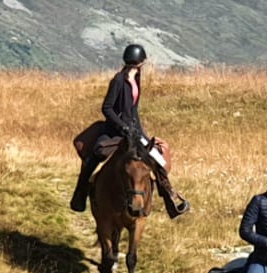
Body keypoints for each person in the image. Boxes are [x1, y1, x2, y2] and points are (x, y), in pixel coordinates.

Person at [69, 43, 189, 218]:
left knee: (157, 158)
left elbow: (133, 110)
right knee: (96, 155)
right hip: (116, 131)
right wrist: (122, 126)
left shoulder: (136, 78)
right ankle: (80, 194)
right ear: (141, 62)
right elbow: (107, 108)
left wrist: (141, 134)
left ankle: (170, 197)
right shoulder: (118, 80)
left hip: (134, 131)